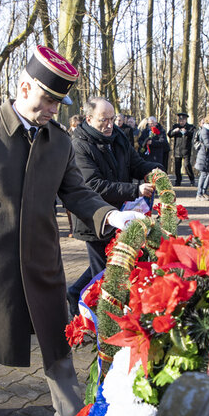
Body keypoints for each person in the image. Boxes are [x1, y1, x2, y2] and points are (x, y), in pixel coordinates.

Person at [0, 45, 144, 416]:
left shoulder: (59, 141)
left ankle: (70, 413)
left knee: (56, 337)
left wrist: (110, 215)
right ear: (25, 86)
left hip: (42, 258)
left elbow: (77, 193)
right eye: (48, 99)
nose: (53, 109)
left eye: (59, 102)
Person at [66, 97, 162, 314]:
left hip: (121, 212)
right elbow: (94, 185)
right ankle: (103, 322)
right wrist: (135, 190)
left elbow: (135, 163)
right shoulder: (79, 145)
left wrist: (155, 171)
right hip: (95, 218)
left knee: (110, 264)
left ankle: (74, 292)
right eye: (103, 120)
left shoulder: (117, 135)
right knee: (107, 274)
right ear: (89, 119)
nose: (110, 125)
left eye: (112, 119)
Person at [168, 112, 197, 186]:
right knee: (177, 167)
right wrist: (174, 131)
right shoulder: (175, 126)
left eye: (183, 120)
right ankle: (178, 180)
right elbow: (169, 134)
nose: (181, 122)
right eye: (180, 120)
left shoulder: (190, 127)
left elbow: (192, 134)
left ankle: (192, 179)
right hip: (177, 149)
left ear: (186, 120)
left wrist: (186, 132)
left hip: (186, 149)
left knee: (187, 165)